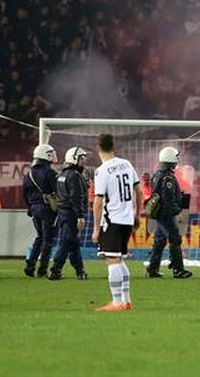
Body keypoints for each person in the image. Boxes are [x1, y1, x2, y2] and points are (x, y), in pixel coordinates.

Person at [92, 133, 141, 311]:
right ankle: (126, 301)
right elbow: (139, 191)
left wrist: (96, 229)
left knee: (112, 260)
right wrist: (137, 215)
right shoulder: (126, 164)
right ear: (114, 146)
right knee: (118, 259)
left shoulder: (102, 171)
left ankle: (117, 302)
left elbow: (98, 202)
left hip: (112, 220)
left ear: (98, 148)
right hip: (127, 220)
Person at [144, 146, 193, 279]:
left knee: (159, 241)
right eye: (176, 158)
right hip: (165, 215)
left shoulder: (157, 174)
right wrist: (178, 210)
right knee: (175, 239)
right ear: (171, 159)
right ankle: (178, 269)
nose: (177, 161)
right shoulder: (167, 178)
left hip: (159, 213)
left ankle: (152, 268)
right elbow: (168, 199)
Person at [48, 146, 89, 280]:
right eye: (81, 158)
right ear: (74, 159)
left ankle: (80, 270)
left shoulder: (63, 175)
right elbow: (75, 198)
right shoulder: (74, 176)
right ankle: (55, 270)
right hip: (71, 213)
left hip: (64, 213)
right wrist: (80, 215)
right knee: (67, 242)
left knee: (73, 242)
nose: (83, 161)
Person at [23, 143, 58, 278]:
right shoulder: (50, 172)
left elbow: (24, 193)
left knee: (39, 237)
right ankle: (42, 269)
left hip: (34, 208)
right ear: (47, 155)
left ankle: (30, 264)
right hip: (47, 209)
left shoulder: (29, 174)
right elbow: (57, 191)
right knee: (48, 239)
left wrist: (30, 208)